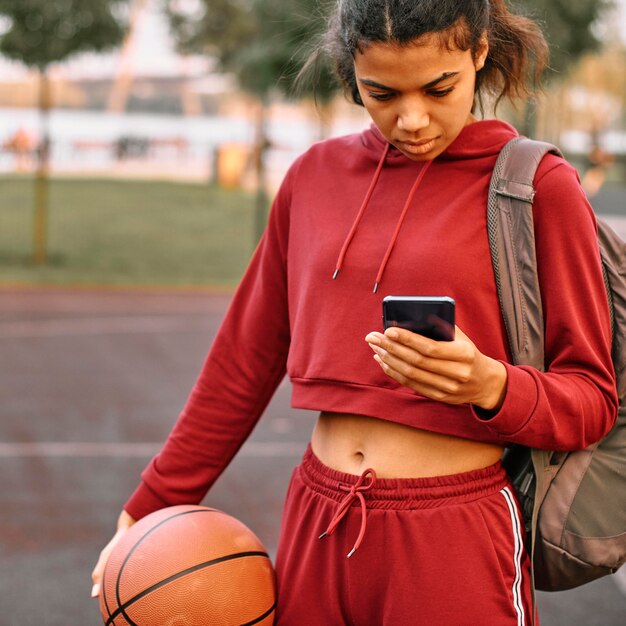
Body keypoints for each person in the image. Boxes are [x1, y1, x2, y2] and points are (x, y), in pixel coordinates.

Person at [91, 1, 618, 624]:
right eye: (381, 92)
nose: (413, 117)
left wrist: (491, 385)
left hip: (453, 530)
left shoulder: (538, 188)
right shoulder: (313, 178)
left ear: (479, 52)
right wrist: (153, 504)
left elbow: (591, 400)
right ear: (351, 75)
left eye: (439, 87)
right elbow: (243, 361)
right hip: (318, 521)